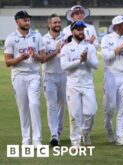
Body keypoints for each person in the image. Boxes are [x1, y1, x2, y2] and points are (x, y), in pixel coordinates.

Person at [4, 11, 45, 147]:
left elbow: (43, 58)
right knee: (23, 109)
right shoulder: (11, 38)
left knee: (34, 105)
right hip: (18, 76)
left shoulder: (37, 36)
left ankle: (37, 139)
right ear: (17, 22)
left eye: (28, 20)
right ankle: (26, 140)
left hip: (33, 75)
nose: (27, 22)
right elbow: (8, 62)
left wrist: (35, 56)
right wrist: (20, 58)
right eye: (24, 20)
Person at [60, 20, 99, 148]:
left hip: (88, 84)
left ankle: (85, 133)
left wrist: (86, 60)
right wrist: (79, 61)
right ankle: (75, 141)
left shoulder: (90, 46)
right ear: (72, 31)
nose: (81, 31)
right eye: (78, 29)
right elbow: (64, 66)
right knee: (75, 114)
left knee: (91, 112)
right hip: (73, 85)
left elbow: (96, 65)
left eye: (82, 29)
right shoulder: (66, 47)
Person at [101, 15, 123, 146]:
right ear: (116, 26)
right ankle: (109, 128)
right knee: (109, 108)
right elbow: (107, 56)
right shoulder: (106, 38)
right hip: (111, 75)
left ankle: (120, 136)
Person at [42, 13, 66, 146]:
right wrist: (56, 51)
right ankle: (54, 134)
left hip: (63, 75)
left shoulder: (66, 38)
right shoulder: (43, 39)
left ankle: (59, 132)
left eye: (59, 22)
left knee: (61, 105)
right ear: (49, 24)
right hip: (49, 76)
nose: (57, 24)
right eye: (55, 22)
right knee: (51, 105)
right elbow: (42, 59)